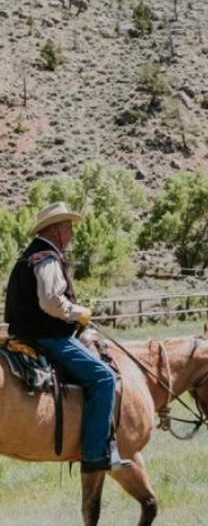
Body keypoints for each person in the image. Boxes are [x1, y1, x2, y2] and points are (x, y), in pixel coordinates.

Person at [4, 201, 131, 473]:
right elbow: (50, 301)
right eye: (69, 227)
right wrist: (77, 313)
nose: (72, 233)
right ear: (57, 229)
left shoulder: (29, 257)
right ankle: (96, 454)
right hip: (48, 338)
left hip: (27, 334)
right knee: (104, 378)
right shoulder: (47, 259)